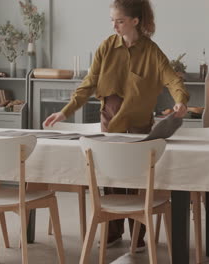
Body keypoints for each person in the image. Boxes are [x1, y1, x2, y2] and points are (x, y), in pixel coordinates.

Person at [44, 0, 189, 252]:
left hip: (139, 126)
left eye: (119, 21)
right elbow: (88, 84)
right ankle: (111, 233)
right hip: (109, 121)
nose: (114, 25)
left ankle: (138, 238)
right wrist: (65, 111)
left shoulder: (152, 51)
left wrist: (180, 101)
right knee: (110, 178)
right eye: (112, 20)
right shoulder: (106, 47)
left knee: (137, 181)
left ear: (135, 21)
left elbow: (172, 79)